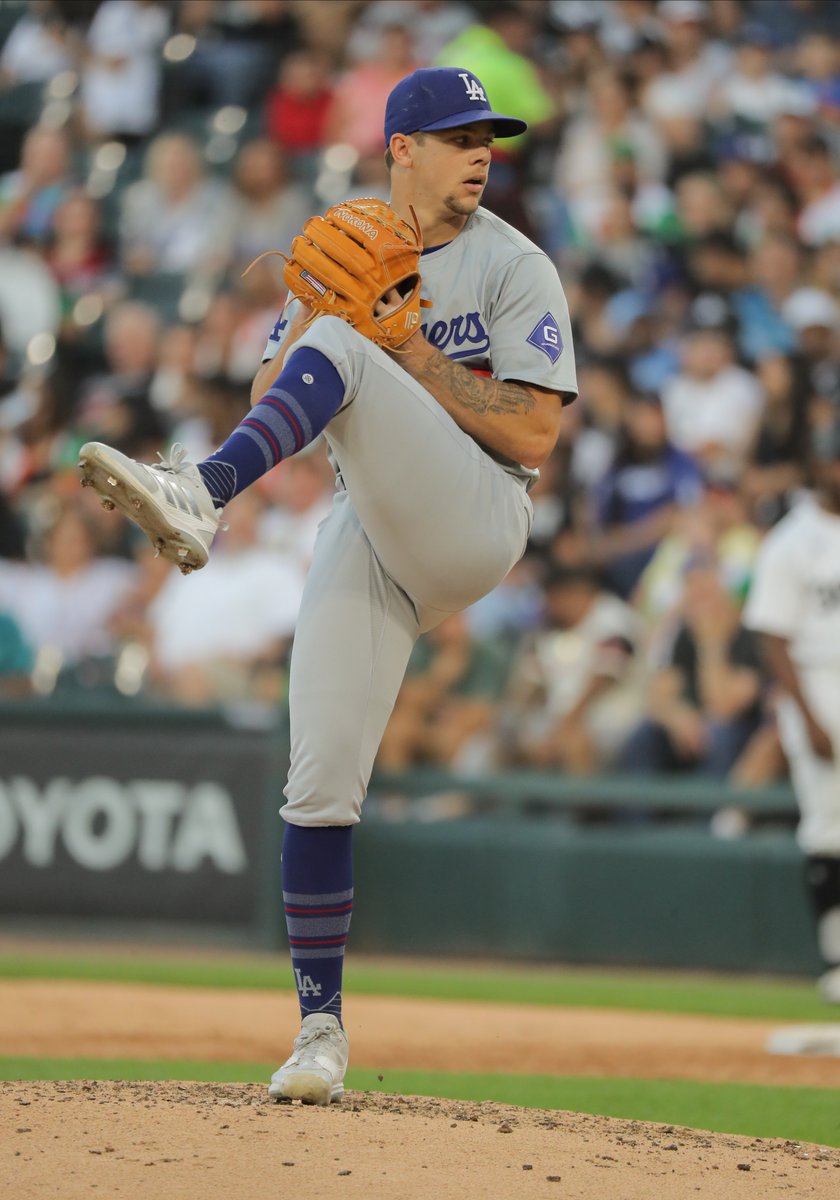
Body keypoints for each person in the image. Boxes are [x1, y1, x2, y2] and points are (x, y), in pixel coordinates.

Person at [78, 67, 577, 1103]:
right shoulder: (345, 243)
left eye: (490, 135)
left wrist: (392, 346)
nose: (482, 150)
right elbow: (273, 399)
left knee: (356, 343)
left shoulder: (514, 263)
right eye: (458, 134)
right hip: (373, 524)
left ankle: (201, 493)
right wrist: (311, 308)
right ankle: (319, 1037)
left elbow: (535, 429)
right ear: (402, 147)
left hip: (480, 513)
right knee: (317, 785)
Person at [743, 421, 840, 1004]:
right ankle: (836, 962)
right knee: (830, 824)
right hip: (819, 682)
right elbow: (772, 636)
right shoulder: (792, 539)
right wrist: (807, 717)